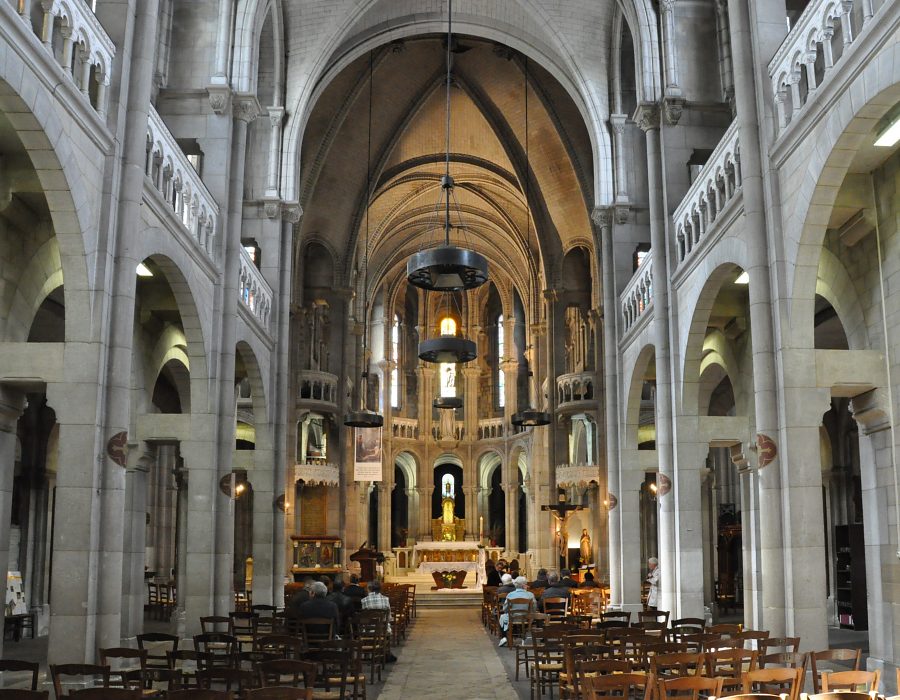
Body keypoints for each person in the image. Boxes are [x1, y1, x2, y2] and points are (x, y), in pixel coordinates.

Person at [361, 581, 397, 662]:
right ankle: (385, 652)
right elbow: (389, 617)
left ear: (369, 589)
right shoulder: (385, 599)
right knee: (386, 626)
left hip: (368, 630)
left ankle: (369, 651)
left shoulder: (364, 601)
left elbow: (364, 617)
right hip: (383, 630)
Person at [498, 576, 535, 646]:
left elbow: (505, 608)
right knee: (531, 615)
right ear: (524, 585)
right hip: (526, 618)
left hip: (513, 618)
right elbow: (534, 607)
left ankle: (504, 637)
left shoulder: (510, 595)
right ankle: (523, 635)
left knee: (502, 617)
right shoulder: (530, 595)